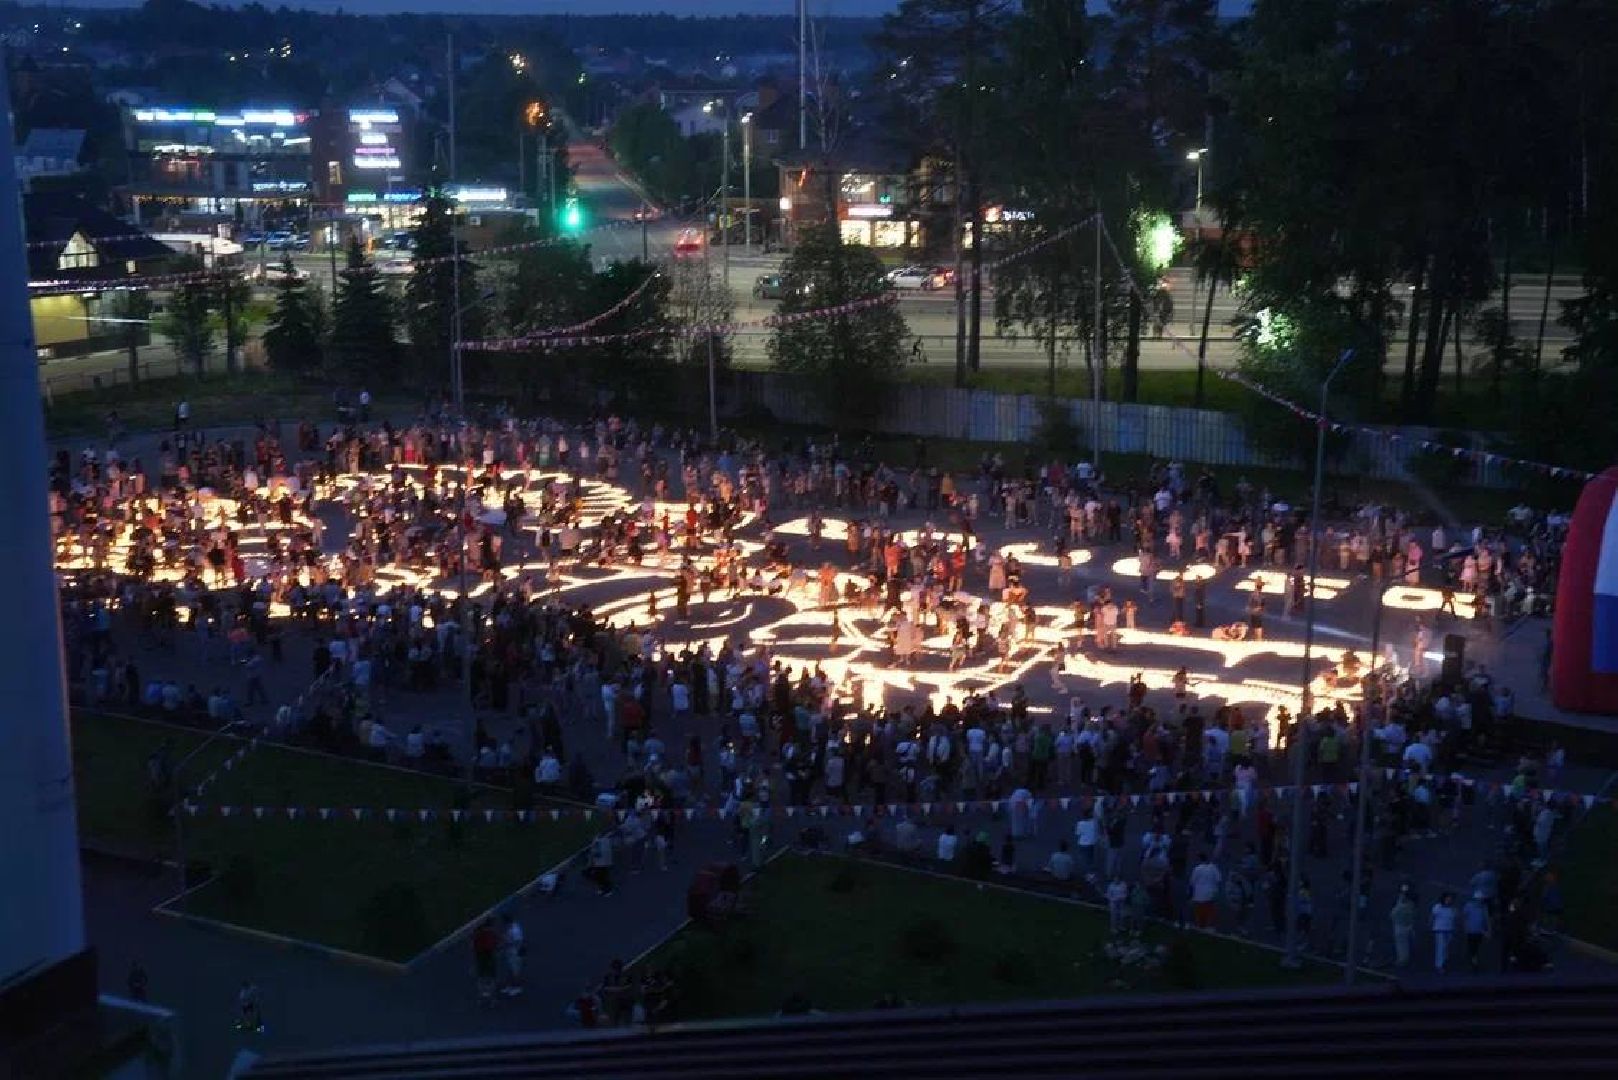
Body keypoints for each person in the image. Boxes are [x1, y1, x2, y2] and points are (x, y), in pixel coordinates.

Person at [1189, 852, 1223, 929]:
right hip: (1210, 894)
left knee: (1200, 912)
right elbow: (1219, 881)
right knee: (1209, 911)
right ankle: (1209, 926)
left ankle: (1200, 926)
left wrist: (1190, 895)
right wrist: (1217, 893)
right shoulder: (1213, 868)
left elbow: (1192, 882)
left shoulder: (1197, 869)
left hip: (1198, 895)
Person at [472, 919, 500, 1007]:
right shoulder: (491, 934)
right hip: (489, 958)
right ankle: (492, 999)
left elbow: (474, 946)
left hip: (480, 958)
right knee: (491, 979)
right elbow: (495, 945)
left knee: (481, 978)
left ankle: (481, 998)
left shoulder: (477, 934)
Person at [1462, 890, 1492, 972]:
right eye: (1480, 898)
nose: (1480, 900)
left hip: (1480, 931)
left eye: (1481, 899)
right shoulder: (1468, 905)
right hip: (1471, 930)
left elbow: (1487, 919)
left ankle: (1474, 961)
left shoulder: (1484, 907)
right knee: (1472, 947)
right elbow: (1464, 917)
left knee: (1477, 947)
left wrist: (1489, 930)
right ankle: (1474, 963)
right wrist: (1465, 928)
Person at [1430, 891, 1459, 973]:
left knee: (1445, 947)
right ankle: (1439, 965)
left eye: (1450, 899)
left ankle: (1444, 962)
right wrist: (1430, 925)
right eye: (1448, 898)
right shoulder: (1437, 907)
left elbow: (1455, 919)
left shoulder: (1453, 909)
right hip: (1440, 930)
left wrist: (1455, 928)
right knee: (1440, 948)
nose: (1449, 900)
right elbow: (1432, 917)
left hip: (1449, 930)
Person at [1389, 884, 1416, 968]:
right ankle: (1403, 959)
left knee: (1402, 943)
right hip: (1402, 925)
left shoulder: (1404, 905)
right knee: (1403, 943)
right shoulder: (1406, 903)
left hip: (1402, 925)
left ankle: (1402, 960)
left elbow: (1393, 915)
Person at [500, 913, 526, 997]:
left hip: (514, 952)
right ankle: (510, 986)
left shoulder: (515, 930)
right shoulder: (510, 928)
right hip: (510, 951)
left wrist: (507, 943)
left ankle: (517, 987)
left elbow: (518, 941)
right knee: (510, 970)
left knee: (515, 971)